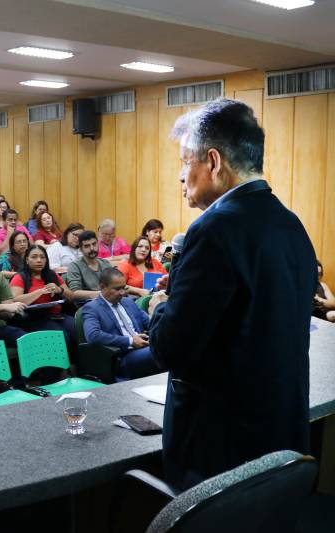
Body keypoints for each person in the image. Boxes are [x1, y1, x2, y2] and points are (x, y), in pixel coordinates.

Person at [148, 98, 318, 490]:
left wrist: (160, 306)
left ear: (212, 161)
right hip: (278, 435)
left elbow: (169, 347)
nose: (180, 175)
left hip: (219, 450)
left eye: (183, 161)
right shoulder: (291, 225)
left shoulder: (212, 231)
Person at [82, 268, 160, 381]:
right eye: (117, 289)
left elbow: (149, 323)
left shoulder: (128, 302)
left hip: (144, 348)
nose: (122, 293)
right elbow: (93, 336)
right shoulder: (92, 308)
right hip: (122, 356)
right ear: (103, 287)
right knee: (161, 351)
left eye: (124, 288)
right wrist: (130, 341)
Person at [10, 244, 74, 345]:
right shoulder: (20, 277)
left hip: (56, 315)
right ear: (27, 260)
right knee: (61, 336)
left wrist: (59, 290)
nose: (39, 260)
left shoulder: (52, 275)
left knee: (76, 328)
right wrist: (40, 291)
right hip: (34, 318)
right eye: (34, 257)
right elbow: (15, 300)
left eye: (42, 257)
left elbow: (71, 297)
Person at [65, 230, 113, 306]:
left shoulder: (105, 263)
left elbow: (115, 283)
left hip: (110, 301)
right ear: (80, 249)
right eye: (87, 246)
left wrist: (138, 291)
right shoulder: (74, 266)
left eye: (94, 244)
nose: (92, 248)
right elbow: (75, 292)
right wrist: (103, 294)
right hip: (89, 305)